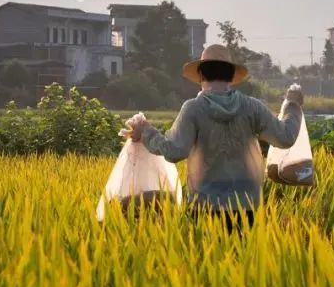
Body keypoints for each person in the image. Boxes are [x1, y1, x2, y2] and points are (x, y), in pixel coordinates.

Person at [124, 44, 303, 232]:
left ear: (201, 75)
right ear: (232, 77)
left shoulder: (193, 108)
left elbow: (175, 150)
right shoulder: (252, 107)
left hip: (206, 206)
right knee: (245, 259)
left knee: (210, 257)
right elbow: (285, 137)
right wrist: (292, 104)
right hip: (247, 204)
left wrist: (146, 132)